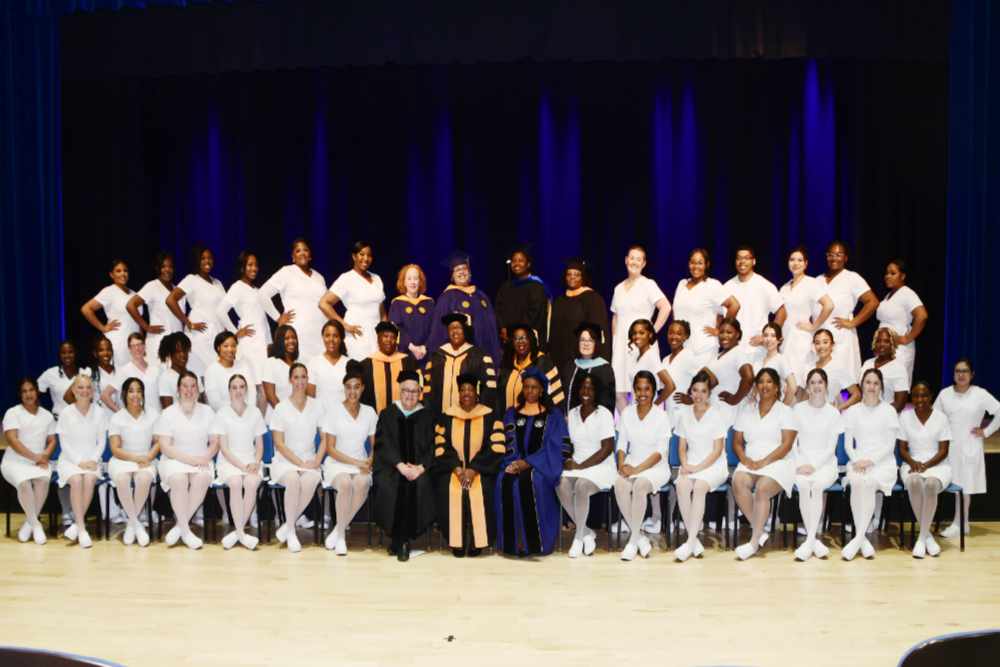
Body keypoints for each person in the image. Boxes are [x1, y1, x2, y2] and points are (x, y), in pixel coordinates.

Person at [432, 373, 505, 557]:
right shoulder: (447, 416)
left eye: (470, 390)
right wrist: (457, 468)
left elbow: (495, 447)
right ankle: (456, 540)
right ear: (458, 393)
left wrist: (474, 469)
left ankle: (477, 540)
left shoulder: (490, 416)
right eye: (463, 390)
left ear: (476, 393)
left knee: (484, 489)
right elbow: (441, 446)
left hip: (481, 470)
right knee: (447, 490)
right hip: (453, 470)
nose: (466, 393)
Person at [495, 367, 566, 557]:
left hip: (541, 467)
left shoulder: (553, 415)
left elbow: (557, 447)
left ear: (542, 390)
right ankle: (511, 543)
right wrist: (512, 463)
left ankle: (535, 544)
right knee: (505, 481)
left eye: (534, 387)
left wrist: (529, 463)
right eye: (526, 387)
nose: (530, 391)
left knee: (533, 483)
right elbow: (506, 444)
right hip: (514, 462)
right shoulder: (512, 414)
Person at [731, 368, 798, 561]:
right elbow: (737, 442)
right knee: (738, 481)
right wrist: (744, 459)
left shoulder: (786, 411)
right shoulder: (747, 410)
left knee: (762, 489)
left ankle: (753, 542)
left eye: (769, 382)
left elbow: (786, 445)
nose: (764, 386)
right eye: (760, 382)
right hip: (751, 460)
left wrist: (764, 462)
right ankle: (760, 530)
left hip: (778, 461)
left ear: (777, 387)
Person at [373, 370, 436, 561]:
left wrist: (421, 468)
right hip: (392, 467)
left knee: (420, 484)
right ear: (399, 392)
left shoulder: (428, 415)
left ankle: (403, 539)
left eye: (414, 391)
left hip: (419, 469)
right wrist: (400, 465)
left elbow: (435, 446)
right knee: (390, 484)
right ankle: (399, 539)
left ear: (420, 393)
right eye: (406, 391)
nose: (410, 395)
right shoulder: (388, 413)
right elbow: (383, 443)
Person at [933, 358, 1000, 538]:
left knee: (965, 486)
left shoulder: (980, 394)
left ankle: (960, 523)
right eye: (957, 371)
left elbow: (999, 411)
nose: (961, 374)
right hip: (949, 446)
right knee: (955, 485)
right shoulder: (945, 394)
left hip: (970, 445)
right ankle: (961, 523)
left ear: (972, 374)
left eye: (965, 371)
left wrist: (986, 432)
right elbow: (934, 419)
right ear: (953, 374)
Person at [841, 368, 900, 560]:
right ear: (862, 384)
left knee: (867, 483)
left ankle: (857, 539)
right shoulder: (852, 411)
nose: (872, 387)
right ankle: (863, 539)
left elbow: (890, 445)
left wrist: (871, 461)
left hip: (882, 463)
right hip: (858, 460)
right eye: (868, 382)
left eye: (876, 383)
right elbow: (848, 444)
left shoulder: (889, 410)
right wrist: (857, 460)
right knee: (857, 482)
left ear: (881, 386)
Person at [155, 371, 217, 550]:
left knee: (203, 478)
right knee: (178, 479)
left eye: (193, 386)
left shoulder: (207, 412)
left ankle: (179, 527)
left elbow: (214, 442)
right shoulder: (167, 413)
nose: (189, 390)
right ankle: (186, 531)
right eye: (185, 386)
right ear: (178, 389)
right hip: (174, 459)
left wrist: (205, 457)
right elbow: (165, 446)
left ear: (198, 389)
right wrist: (191, 460)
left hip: (200, 458)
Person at [614, 371, 671, 561]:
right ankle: (639, 537)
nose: (642, 393)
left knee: (639, 486)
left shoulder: (662, 416)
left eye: (647, 389)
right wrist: (622, 464)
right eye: (638, 389)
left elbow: (660, 453)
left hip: (656, 467)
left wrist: (637, 471)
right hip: (633, 461)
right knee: (619, 484)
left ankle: (632, 542)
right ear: (634, 391)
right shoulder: (627, 413)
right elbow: (621, 444)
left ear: (654, 391)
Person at [321, 361, 377, 555]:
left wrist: (370, 460)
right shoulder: (334, 411)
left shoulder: (369, 412)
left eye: (356, 387)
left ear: (362, 389)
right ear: (344, 389)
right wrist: (358, 463)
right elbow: (330, 449)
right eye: (348, 387)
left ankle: (337, 530)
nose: (352, 392)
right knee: (345, 484)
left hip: (361, 464)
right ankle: (342, 538)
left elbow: (376, 444)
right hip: (338, 464)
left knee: (362, 483)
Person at [672, 372, 728, 561]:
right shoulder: (684, 414)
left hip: (714, 465)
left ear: (709, 393)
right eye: (695, 390)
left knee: (699, 487)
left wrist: (697, 469)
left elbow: (717, 450)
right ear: (690, 391)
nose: (698, 395)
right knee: (681, 485)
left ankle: (689, 543)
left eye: (703, 391)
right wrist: (686, 464)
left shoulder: (717, 415)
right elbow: (681, 447)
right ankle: (693, 541)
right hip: (691, 461)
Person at [268, 363, 325, 553]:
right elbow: (279, 443)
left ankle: (288, 525)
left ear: (308, 379)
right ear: (290, 380)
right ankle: (291, 532)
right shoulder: (281, 408)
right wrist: (298, 463)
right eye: (296, 377)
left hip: (309, 460)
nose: (300, 381)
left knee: (313, 478)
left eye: (303, 377)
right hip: (285, 461)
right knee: (293, 480)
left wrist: (316, 460)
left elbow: (325, 438)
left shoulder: (317, 406)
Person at [559, 372, 616, 558]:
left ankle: (577, 538)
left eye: (590, 388)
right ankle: (585, 532)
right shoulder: (572, 414)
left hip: (601, 465)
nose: (586, 391)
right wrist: (567, 459)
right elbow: (567, 444)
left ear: (596, 392)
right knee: (559, 483)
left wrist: (581, 467)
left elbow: (607, 448)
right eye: (583, 387)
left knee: (582, 486)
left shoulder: (604, 414)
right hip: (578, 464)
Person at [611, 245, 671, 413]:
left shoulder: (648, 284)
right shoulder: (618, 288)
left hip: (642, 345)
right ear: (626, 260)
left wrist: (651, 333)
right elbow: (615, 317)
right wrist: (615, 341)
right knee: (619, 391)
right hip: (622, 345)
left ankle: (646, 427)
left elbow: (665, 307)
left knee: (643, 388)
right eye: (632, 258)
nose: (634, 262)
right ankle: (627, 427)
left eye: (639, 259)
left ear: (644, 263)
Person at [791, 368, 844, 560]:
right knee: (804, 485)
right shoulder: (798, 410)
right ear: (807, 387)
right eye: (812, 382)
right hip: (800, 463)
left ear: (826, 385)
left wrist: (813, 465)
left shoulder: (833, 413)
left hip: (825, 464)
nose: (816, 386)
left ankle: (810, 540)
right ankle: (813, 540)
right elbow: (792, 444)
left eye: (820, 382)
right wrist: (801, 463)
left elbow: (831, 447)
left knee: (818, 485)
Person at [210, 374, 266, 551]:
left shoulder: (255, 412)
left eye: (241, 387)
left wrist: (256, 462)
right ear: (229, 391)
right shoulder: (222, 413)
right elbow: (224, 449)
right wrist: (242, 467)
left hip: (250, 459)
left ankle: (238, 533)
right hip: (229, 461)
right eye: (234, 387)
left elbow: (259, 445)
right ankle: (241, 533)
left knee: (252, 481)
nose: (238, 391)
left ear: (246, 390)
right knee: (235, 482)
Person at [899, 381, 952, 558]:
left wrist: (926, 465)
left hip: (937, 464)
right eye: (915, 395)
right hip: (912, 462)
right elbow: (902, 449)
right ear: (911, 398)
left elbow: (944, 450)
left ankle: (921, 539)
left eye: (924, 395)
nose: (920, 399)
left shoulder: (941, 418)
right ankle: (927, 537)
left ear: (930, 397)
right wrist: (913, 462)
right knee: (914, 481)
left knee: (930, 484)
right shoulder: (905, 417)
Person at [55, 374, 108, 549]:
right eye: (80, 387)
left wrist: (92, 460)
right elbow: (64, 443)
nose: (84, 391)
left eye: (88, 388)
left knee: (90, 479)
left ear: (92, 391)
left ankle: (76, 525)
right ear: (73, 390)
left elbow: (101, 441)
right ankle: (82, 528)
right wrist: (78, 461)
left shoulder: (99, 412)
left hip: (92, 459)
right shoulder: (66, 413)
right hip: (70, 460)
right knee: (77, 480)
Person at [2, 378, 56, 545]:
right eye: (24, 391)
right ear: (20, 394)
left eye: (31, 390)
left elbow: (52, 440)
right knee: (24, 483)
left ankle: (28, 524)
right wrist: (36, 457)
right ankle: (36, 525)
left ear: (37, 391)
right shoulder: (12, 412)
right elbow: (13, 441)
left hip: (39, 460)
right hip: (14, 461)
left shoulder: (47, 415)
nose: (28, 394)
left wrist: (45, 455)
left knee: (43, 480)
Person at [107, 377, 159, 547]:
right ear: (124, 394)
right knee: (122, 479)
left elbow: (158, 442)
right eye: (131, 391)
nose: (135, 394)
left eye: (138, 390)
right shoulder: (117, 418)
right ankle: (136, 523)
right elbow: (115, 449)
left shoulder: (152, 414)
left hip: (146, 459)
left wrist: (149, 457)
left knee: (143, 478)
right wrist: (136, 458)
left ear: (143, 393)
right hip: (123, 459)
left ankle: (131, 523)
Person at [259, 238, 328, 361]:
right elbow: (262, 294)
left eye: (305, 250)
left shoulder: (319, 277)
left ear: (310, 255)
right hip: (298, 333)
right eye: (298, 251)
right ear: (293, 257)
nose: (302, 253)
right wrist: (278, 318)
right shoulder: (287, 272)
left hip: (319, 334)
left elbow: (325, 305)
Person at [427, 251, 501, 363]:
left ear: (470, 273)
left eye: (464, 268)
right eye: (457, 270)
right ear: (452, 276)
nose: (462, 272)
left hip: (487, 352)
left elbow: (493, 328)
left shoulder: (481, 296)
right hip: (461, 356)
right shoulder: (447, 297)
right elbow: (439, 330)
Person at [821, 241, 879, 380]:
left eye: (839, 254)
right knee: (823, 377)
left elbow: (873, 302)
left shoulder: (852, 278)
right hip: (821, 339)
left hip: (841, 338)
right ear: (826, 257)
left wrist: (853, 323)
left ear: (845, 258)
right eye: (831, 255)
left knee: (844, 381)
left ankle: (846, 402)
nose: (834, 258)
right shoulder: (818, 280)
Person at [320, 241, 387, 361]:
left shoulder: (377, 278)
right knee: (360, 373)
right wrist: (344, 325)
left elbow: (381, 309)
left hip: (376, 336)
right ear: (354, 256)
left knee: (377, 374)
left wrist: (385, 332)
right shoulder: (347, 278)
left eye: (369, 255)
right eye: (362, 254)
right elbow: (324, 303)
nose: (366, 258)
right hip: (357, 337)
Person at [166, 246, 228, 376]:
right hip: (199, 335)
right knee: (200, 374)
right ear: (197, 261)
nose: (207, 261)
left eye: (210, 258)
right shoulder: (191, 279)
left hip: (217, 333)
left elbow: (223, 309)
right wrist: (188, 323)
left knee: (218, 372)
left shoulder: (218, 283)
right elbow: (170, 300)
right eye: (203, 258)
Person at [672, 248, 739, 365]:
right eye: (693, 262)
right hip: (682, 346)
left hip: (703, 347)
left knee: (700, 383)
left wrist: (720, 331)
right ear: (688, 264)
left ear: (706, 265)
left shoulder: (712, 285)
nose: (695, 266)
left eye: (700, 263)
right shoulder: (682, 284)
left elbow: (734, 305)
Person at [779, 246, 834, 385]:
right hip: (785, 337)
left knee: (799, 378)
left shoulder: (811, 283)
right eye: (792, 260)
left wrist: (814, 326)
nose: (795, 263)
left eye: (799, 260)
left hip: (800, 338)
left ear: (806, 264)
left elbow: (829, 305)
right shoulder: (784, 287)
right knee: (785, 379)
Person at [423, 313, 497, 415]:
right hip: (440, 418)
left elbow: (489, 390)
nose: (455, 332)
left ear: (465, 330)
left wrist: (481, 415)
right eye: (451, 328)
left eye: (458, 328)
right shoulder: (436, 358)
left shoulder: (480, 357)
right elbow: (427, 391)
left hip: (471, 417)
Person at [216, 251, 271, 385]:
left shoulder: (257, 290)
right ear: (242, 267)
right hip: (249, 343)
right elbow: (220, 311)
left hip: (262, 343)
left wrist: (269, 342)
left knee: (264, 382)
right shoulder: (237, 287)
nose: (254, 268)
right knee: (251, 382)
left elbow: (263, 319)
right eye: (250, 265)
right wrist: (235, 333)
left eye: (256, 265)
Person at [548, 258, 611, 370]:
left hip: (583, 357)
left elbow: (600, 329)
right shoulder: (559, 301)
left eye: (577, 274)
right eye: (569, 274)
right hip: (560, 357)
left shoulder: (592, 298)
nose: (572, 277)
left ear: (583, 277)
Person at [127, 252, 183, 367]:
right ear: (158, 268)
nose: (167, 269)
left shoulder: (177, 290)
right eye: (163, 266)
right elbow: (131, 305)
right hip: (158, 342)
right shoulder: (152, 286)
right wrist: (146, 327)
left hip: (176, 344)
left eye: (170, 266)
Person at [876, 259, 927, 384]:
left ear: (903, 276)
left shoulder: (907, 293)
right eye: (887, 273)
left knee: (897, 387)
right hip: (883, 349)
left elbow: (922, 316)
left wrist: (907, 338)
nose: (888, 276)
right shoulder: (888, 296)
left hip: (899, 350)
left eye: (893, 273)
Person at [80, 258, 138, 367]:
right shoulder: (109, 291)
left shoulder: (134, 294)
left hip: (134, 345)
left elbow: (138, 321)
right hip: (118, 343)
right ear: (112, 275)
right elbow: (86, 309)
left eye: (125, 270)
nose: (123, 274)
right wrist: (103, 328)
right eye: (118, 271)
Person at [724, 246, 784, 350]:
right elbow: (721, 317)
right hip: (734, 348)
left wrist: (767, 337)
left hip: (757, 348)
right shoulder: (727, 286)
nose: (742, 261)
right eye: (739, 258)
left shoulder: (764, 285)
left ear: (754, 261)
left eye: (746, 258)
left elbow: (782, 312)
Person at [497, 324, 563, 417]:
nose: (520, 342)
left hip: (535, 422)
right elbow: (499, 397)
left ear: (530, 340)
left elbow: (557, 396)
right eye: (516, 338)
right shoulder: (507, 364)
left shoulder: (543, 362)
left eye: (524, 338)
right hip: (508, 422)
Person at [700, 318, 754, 426]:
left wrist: (734, 399)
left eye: (729, 332)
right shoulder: (718, 355)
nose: (724, 336)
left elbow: (749, 377)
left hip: (730, 415)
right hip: (716, 414)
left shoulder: (739, 352)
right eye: (721, 332)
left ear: (737, 335)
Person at [495, 245, 551, 348]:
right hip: (508, 338)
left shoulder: (536, 286)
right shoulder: (505, 287)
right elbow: (498, 309)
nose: (516, 264)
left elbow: (534, 314)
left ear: (528, 264)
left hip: (527, 338)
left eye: (521, 260)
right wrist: (502, 327)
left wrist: (519, 332)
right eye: (514, 260)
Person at [359, 321, 417, 414]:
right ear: (378, 339)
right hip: (375, 421)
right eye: (385, 336)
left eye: (393, 337)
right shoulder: (366, 365)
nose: (389, 340)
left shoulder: (408, 363)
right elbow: (363, 398)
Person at [560, 322, 615, 414]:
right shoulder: (570, 366)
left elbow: (607, 402)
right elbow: (562, 396)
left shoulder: (604, 369)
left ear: (596, 343)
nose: (586, 344)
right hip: (568, 421)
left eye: (590, 340)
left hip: (594, 423)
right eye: (582, 340)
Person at [800, 329, 860, 411]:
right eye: (817, 343)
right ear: (813, 345)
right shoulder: (809, 366)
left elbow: (857, 394)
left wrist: (838, 408)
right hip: (810, 414)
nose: (821, 346)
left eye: (825, 342)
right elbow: (804, 394)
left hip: (829, 416)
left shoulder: (839, 367)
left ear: (832, 345)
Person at [387, 264, 435, 363]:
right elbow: (396, 329)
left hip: (426, 353)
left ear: (420, 281)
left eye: (416, 278)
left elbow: (434, 328)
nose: (413, 282)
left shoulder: (429, 303)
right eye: (409, 279)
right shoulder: (397, 303)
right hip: (405, 353)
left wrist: (425, 347)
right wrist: (412, 347)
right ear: (403, 282)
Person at [204, 331, 260, 412]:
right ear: (218, 348)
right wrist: (235, 412)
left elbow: (252, 392)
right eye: (225, 346)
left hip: (247, 413)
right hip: (224, 417)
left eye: (233, 346)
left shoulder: (244, 366)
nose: (230, 349)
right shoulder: (211, 370)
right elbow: (214, 402)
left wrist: (248, 411)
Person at [109, 333, 161, 417]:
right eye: (133, 346)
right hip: (137, 421)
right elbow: (105, 395)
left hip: (156, 417)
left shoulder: (155, 369)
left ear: (144, 346)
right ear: (129, 349)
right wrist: (122, 414)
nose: (137, 348)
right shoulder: (124, 370)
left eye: (140, 344)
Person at [859, 327, 910, 412]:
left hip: (886, 418)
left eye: (886, 341)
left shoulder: (899, 368)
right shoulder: (867, 363)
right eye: (878, 341)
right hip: (863, 414)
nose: (882, 344)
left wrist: (879, 415)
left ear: (893, 344)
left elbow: (900, 404)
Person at [661, 321, 701, 425]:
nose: (674, 337)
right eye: (671, 333)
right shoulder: (665, 360)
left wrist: (693, 399)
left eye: (679, 334)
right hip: (669, 412)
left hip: (685, 412)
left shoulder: (689, 356)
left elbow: (705, 379)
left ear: (686, 337)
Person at [306, 320, 349, 413]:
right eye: (327, 335)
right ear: (322, 337)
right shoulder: (313, 363)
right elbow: (310, 398)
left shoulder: (349, 363)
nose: (331, 339)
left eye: (335, 336)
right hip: (321, 420)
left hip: (344, 419)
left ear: (341, 338)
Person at [750, 323, 797, 406]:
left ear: (779, 340)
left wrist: (782, 408)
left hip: (773, 407)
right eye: (765, 335)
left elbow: (793, 386)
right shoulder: (758, 359)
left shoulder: (781, 359)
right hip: (757, 407)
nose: (769, 339)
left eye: (773, 336)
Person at [37, 340, 88, 418]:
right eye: (63, 353)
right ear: (59, 355)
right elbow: (33, 394)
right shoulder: (50, 373)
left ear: (76, 353)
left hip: (80, 420)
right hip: (58, 422)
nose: (67, 355)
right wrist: (41, 415)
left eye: (70, 352)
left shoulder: (85, 373)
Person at [157, 332, 203, 409]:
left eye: (185, 351)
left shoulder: (195, 375)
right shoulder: (165, 378)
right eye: (178, 352)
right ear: (170, 354)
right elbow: (167, 411)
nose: (183, 355)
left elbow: (202, 404)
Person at [624, 318, 665, 400]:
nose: (637, 336)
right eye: (634, 333)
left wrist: (655, 406)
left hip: (647, 409)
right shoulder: (637, 356)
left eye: (641, 333)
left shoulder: (651, 356)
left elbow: (670, 385)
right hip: (637, 406)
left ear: (650, 335)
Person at [262, 324, 299, 415]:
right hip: (277, 419)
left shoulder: (299, 364)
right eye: (286, 338)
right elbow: (271, 396)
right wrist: (286, 416)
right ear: (279, 341)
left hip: (298, 418)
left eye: (293, 337)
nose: (291, 341)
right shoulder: (270, 363)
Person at [89, 335, 119, 411]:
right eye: (101, 350)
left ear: (112, 352)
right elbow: (69, 396)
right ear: (95, 353)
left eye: (108, 349)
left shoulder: (119, 371)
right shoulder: (90, 372)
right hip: (98, 420)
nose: (105, 353)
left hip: (117, 418)